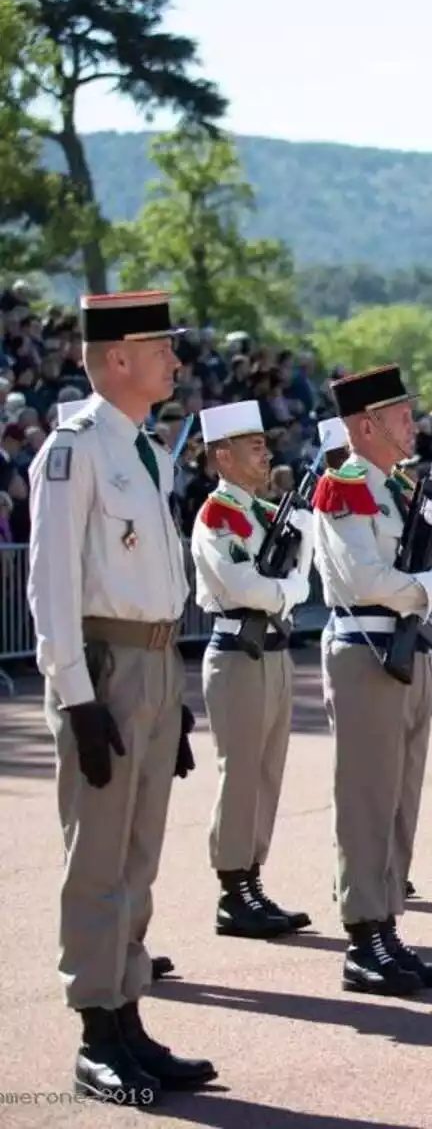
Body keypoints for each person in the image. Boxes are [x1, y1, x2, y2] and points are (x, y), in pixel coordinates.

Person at [30, 290, 216, 1104]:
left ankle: (129, 1013)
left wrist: (170, 693)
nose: (175, 360)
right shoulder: (72, 452)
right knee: (99, 857)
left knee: (138, 855)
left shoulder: (147, 450)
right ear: (116, 359)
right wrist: (76, 695)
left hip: (151, 661)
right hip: (103, 665)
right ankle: (95, 1031)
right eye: (160, 346)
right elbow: (50, 586)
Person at [313, 364, 432, 997]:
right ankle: (363, 934)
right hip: (368, 648)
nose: (412, 423)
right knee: (368, 798)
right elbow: (369, 580)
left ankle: (387, 923)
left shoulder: (399, 488)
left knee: (401, 796)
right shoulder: (342, 488)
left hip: (407, 648)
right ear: (365, 424)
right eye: (400, 414)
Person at [190, 399, 314, 941]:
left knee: (267, 773)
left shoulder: (267, 513)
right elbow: (244, 587)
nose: (266, 455)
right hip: (238, 652)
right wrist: (286, 591)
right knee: (240, 773)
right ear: (223, 456)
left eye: (265, 445)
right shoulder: (217, 514)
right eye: (254, 445)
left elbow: (305, 575)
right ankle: (232, 887)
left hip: (274, 650)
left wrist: (288, 588)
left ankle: (252, 878)